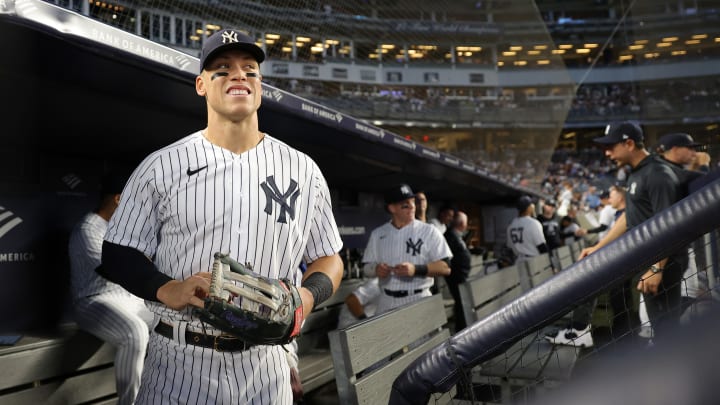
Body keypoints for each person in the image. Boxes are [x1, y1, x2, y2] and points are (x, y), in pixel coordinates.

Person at [100, 29, 344, 404]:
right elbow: (118, 254)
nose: (239, 75)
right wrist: (168, 288)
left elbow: (328, 257)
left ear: (260, 85)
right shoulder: (161, 166)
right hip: (179, 363)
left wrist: (305, 301)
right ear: (201, 85)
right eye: (222, 68)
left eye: (250, 69)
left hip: (266, 366)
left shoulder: (303, 170)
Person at [579, 121, 687, 339]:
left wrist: (657, 269)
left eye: (611, 147)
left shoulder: (657, 173)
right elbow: (629, 216)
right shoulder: (638, 172)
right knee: (659, 325)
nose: (607, 153)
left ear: (629, 143)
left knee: (667, 328)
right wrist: (599, 246)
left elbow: (670, 224)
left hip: (663, 264)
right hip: (649, 261)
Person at [68, 173, 153, 405]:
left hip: (126, 298)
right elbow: (111, 271)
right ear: (118, 199)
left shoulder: (122, 230)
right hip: (92, 300)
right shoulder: (88, 228)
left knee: (168, 320)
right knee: (134, 331)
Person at [362, 183, 452, 315]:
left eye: (413, 202)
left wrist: (415, 269)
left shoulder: (429, 231)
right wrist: (376, 269)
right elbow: (366, 268)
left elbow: (446, 267)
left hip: (419, 299)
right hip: (387, 300)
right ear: (392, 208)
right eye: (405, 205)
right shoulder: (378, 234)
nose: (412, 207)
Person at [444, 211, 472, 331]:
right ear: (461, 223)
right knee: (460, 303)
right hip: (456, 276)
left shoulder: (456, 235)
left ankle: (463, 327)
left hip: (461, 275)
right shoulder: (450, 236)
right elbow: (451, 258)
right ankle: (461, 330)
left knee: (462, 303)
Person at [506, 195, 548, 263]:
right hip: (534, 262)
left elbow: (509, 248)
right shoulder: (533, 223)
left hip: (518, 262)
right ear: (528, 208)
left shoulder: (511, 225)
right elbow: (542, 246)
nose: (533, 206)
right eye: (532, 204)